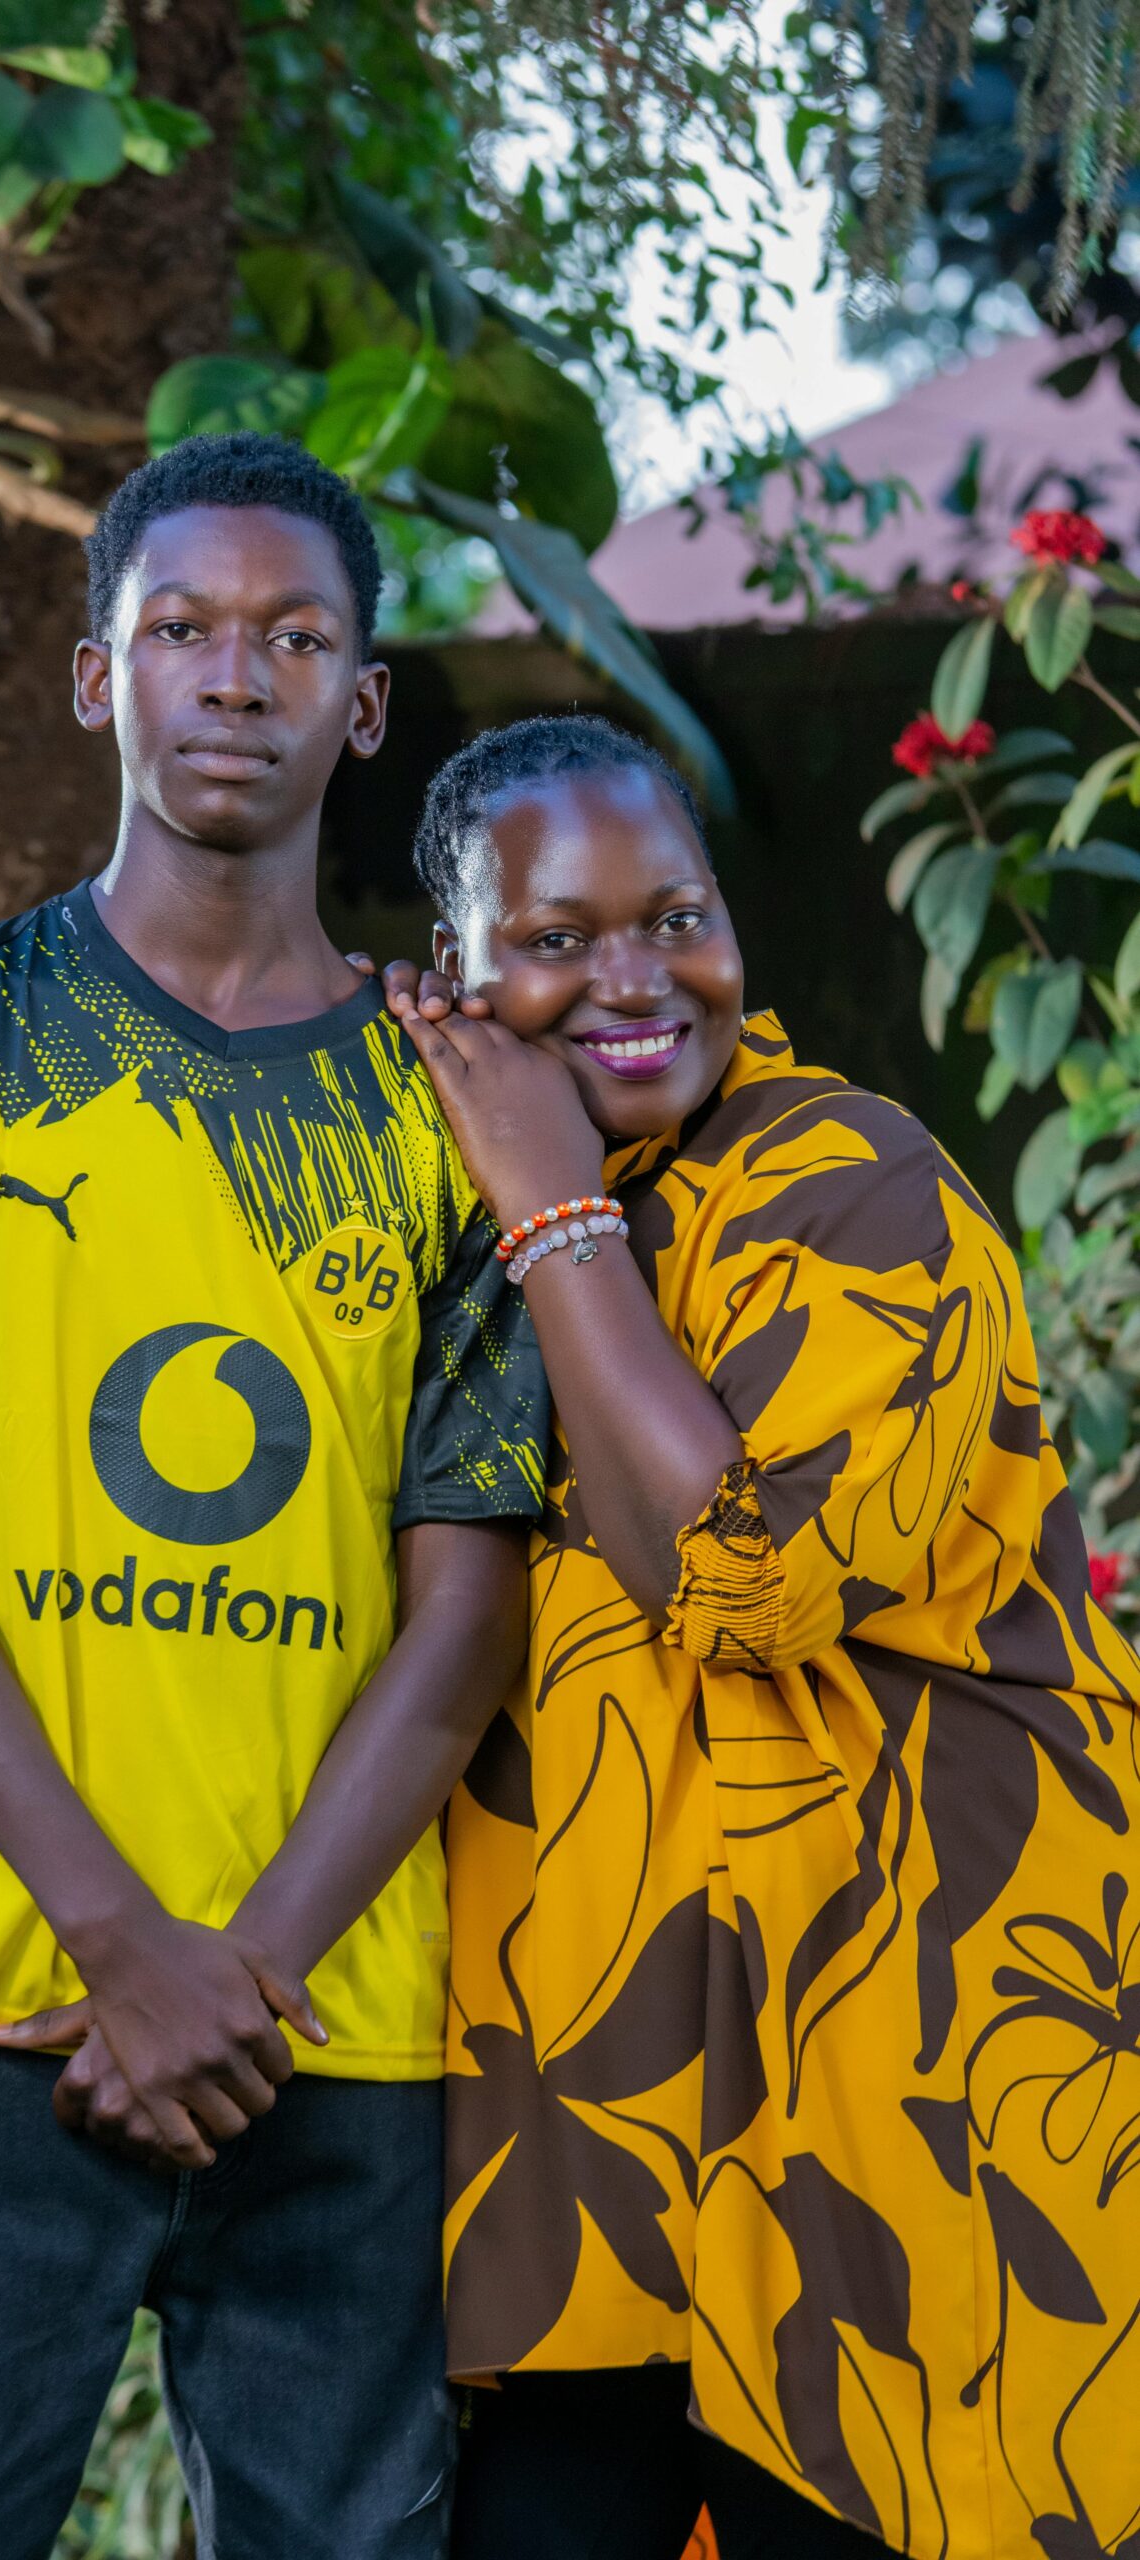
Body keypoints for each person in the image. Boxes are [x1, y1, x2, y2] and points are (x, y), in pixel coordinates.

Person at [0, 433, 548, 2560]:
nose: (233, 674)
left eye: (294, 634)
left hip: (335, 2026)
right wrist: (119, 1939)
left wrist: (236, 1975)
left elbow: (458, 1614)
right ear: (98, 675)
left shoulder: (451, 1102)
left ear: (363, 702)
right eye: (179, 626)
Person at [374, 713, 1140, 2560]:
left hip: (899, 2102)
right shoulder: (439, 1236)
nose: (635, 981)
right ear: (454, 981)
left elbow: (750, 1583)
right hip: (578, 2146)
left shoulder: (861, 1192)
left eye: (679, 916)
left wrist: (558, 1215)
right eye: (554, 941)